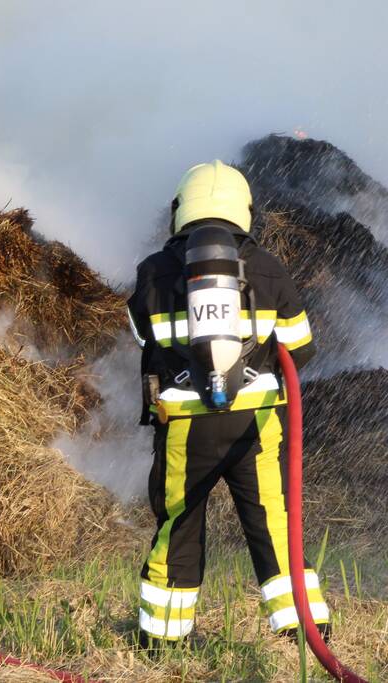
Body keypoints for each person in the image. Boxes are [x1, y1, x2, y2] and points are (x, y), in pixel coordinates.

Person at [126, 160, 330, 647]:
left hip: (184, 427)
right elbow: (301, 347)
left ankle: (163, 638)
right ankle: (305, 629)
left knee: (179, 524)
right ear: (243, 211)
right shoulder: (267, 267)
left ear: (181, 210)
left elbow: (141, 335)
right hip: (254, 427)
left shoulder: (154, 270)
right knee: (271, 521)